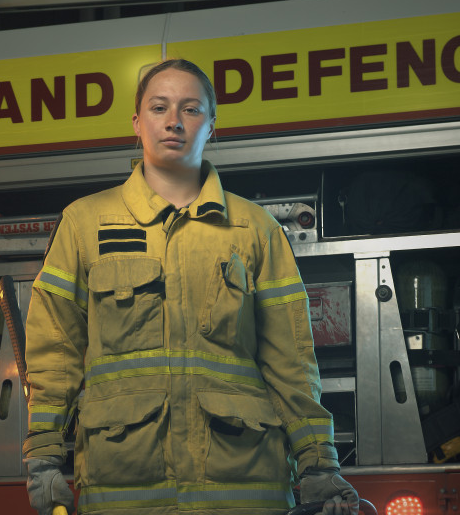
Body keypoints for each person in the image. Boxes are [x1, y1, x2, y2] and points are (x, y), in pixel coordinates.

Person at [23, 59, 359, 515]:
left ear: (212, 126)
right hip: (125, 489)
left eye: (191, 109)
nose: (174, 121)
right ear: (137, 123)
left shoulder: (253, 229)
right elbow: (56, 352)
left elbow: (292, 360)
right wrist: (43, 459)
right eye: (159, 107)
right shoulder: (85, 224)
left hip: (243, 489)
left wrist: (318, 463)